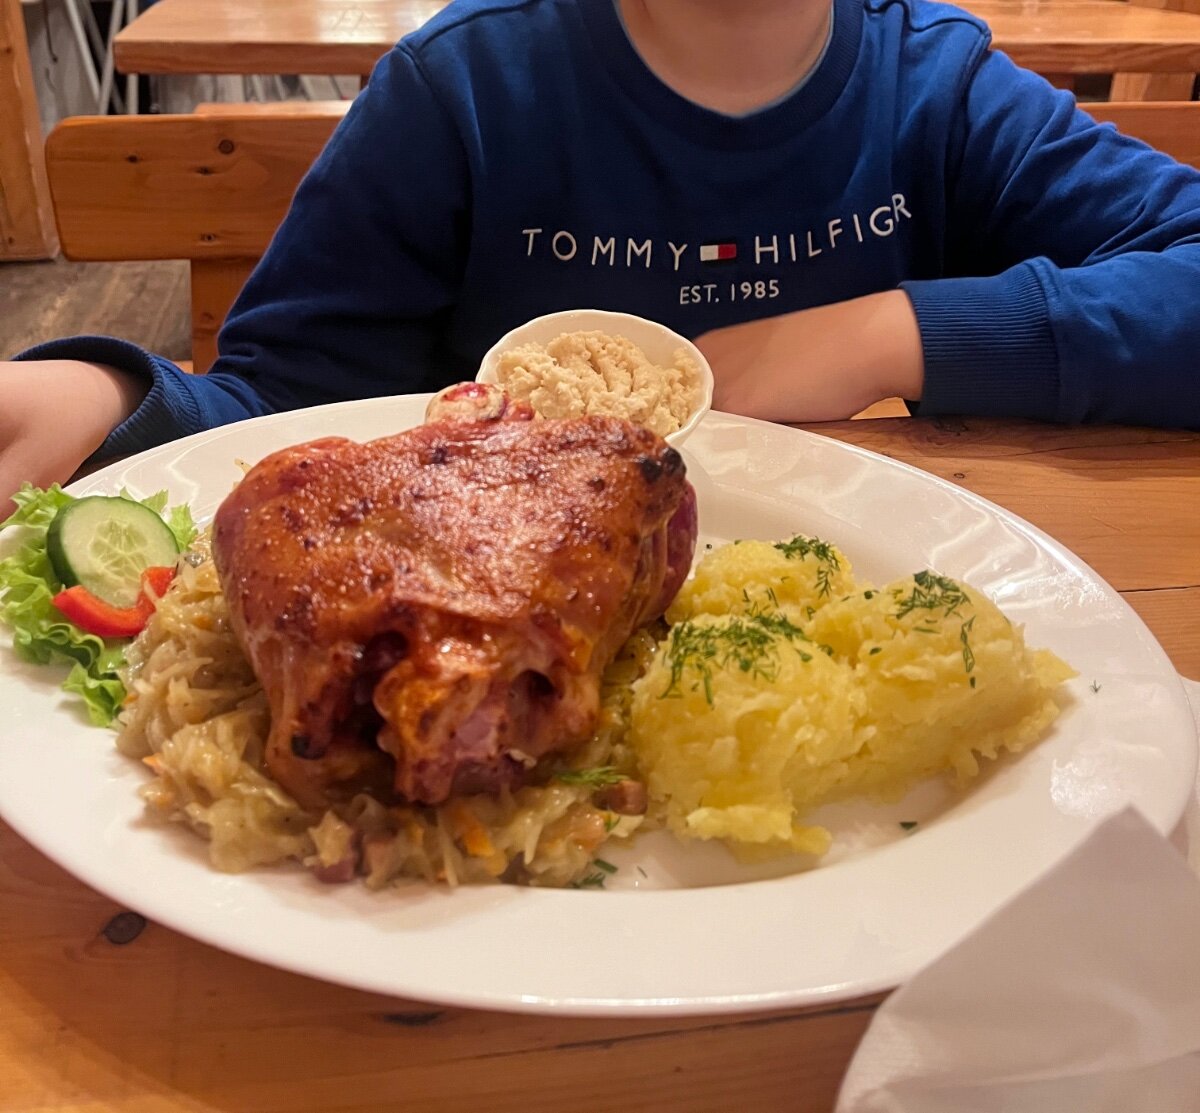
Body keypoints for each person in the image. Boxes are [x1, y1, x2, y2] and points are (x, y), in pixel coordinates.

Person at [3, 0, 1199, 505]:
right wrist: (112, 403)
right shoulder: (460, 93)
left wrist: (887, 335)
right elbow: (285, 410)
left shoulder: (940, 89)